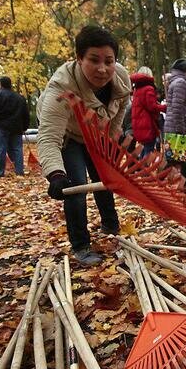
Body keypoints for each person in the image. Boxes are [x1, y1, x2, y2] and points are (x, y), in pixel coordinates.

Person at [37, 25, 131, 266]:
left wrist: (110, 144)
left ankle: (111, 226)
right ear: (79, 59)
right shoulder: (61, 89)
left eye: (108, 61)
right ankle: (81, 245)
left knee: (105, 179)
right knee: (76, 186)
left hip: (95, 133)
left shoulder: (120, 79)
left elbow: (118, 113)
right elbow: (48, 137)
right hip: (69, 137)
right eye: (94, 60)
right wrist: (56, 173)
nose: (102, 69)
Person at [0, 75, 29, 177]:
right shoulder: (20, 98)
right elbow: (25, 113)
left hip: (0, 126)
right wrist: (24, 126)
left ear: (0, 84)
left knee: (1, 148)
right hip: (16, 127)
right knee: (17, 149)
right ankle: (19, 171)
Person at [163, 59, 186, 187]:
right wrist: (181, 130)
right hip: (178, 128)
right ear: (185, 70)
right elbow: (177, 108)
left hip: (178, 125)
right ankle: (184, 188)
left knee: (177, 160)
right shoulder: (180, 83)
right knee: (182, 161)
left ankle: (180, 187)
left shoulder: (176, 82)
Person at [130, 66, 165, 159]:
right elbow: (152, 107)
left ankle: (140, 170)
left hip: (139, 124)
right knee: (148, 150)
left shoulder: (137, 89)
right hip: (147, 124)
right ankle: (145, 172)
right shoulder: (148, 88)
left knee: (144, 149)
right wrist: (164, 107)